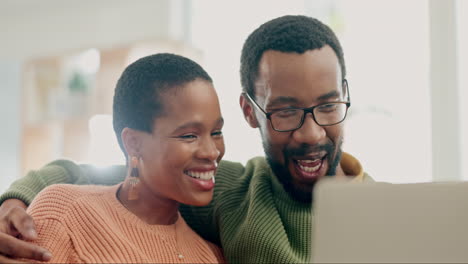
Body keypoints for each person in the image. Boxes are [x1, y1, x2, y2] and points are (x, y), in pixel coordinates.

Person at [0, 15, 372, 263]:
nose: (311, 133)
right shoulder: (235, 191)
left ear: (345, 93)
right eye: (285, 112)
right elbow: (90, 176)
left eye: (327, 106)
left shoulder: (388, 211)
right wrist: (13, 202)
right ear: (250, 112)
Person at [4, 53, 226, 263]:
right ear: (133, 143)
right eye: (189, 135)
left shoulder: (210, 256)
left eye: (216, 132)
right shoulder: (64, 213)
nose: (211, 151)